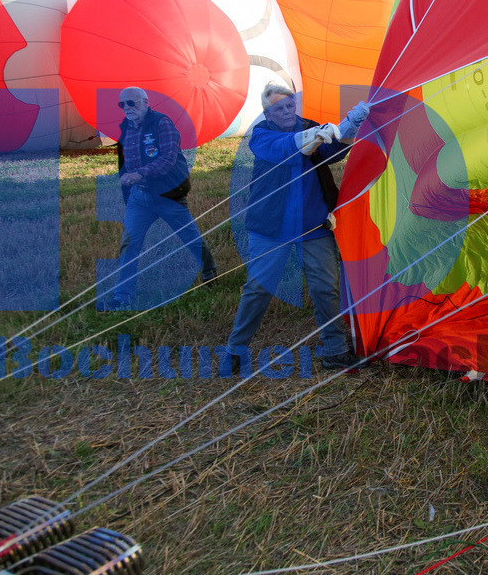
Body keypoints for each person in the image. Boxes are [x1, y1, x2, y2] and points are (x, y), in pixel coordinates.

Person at [226, 83, 369, 373]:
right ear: (267, 114)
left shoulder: (309, 126)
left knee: (326, 289)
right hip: (271, 228)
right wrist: (313, 136)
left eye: (289, 104)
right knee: (258, 289)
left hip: (313, 225)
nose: (287, 111)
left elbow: (333, 151)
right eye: (278, 108)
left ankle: (335, 351)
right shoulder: (261, 135)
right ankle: (235, 349)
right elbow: (284, 149)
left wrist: (351, 126)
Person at [107, 86, 217, 310]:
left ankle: (210, 273)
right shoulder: (126, 128)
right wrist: (128, 191)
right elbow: (124, 165)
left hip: (168, 195)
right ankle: (122, 297)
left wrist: (140, 173)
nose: (127, 108)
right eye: (123, 104)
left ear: (146, 103)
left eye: (132, 103)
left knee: (191, 238)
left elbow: (168, 158)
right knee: (129, 245)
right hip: (140, 198)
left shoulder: (161, 124)